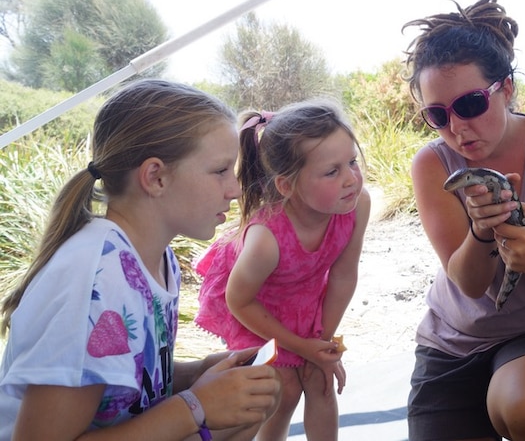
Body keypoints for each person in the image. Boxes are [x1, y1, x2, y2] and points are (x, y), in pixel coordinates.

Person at [0, 79, 281, 440]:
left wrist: (195, 374)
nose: (235, 189)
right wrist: (195, 406)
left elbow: (119, 380)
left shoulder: (154, 259)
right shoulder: (97, 281)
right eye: (220, 171)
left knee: (252, 403)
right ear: (156, 177)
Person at [403, 0, 525, 441]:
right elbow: (470, 283)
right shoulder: (432, 164)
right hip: (453, 341)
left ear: (506, 88)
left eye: (471, 104)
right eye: (437, 115)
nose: (457, 127)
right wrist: (481, 231)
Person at [195, 99, 370, 441]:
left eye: (351, 162)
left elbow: (344, 273)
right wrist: (301, 348)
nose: (351, 178)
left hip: (305, 304)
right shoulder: (266, 239)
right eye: (332, 171)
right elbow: (240, 301)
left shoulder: (356, 205)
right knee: (283, 389)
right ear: (287, 186)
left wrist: (320, 344)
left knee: (320, 377)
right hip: (258, 312)